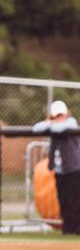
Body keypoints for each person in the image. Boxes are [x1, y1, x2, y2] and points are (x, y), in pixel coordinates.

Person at [33, 100, 80, 234]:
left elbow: (59, 128)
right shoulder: (53, 124)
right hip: (60, 170)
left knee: (75, 200)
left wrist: (52, 123)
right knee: (63, 199)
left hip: (74, 169)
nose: (59, 117)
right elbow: (37, 128)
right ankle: (68, 228)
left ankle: (76, 228)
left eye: (60, 115)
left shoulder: (71, 122)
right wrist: (51, 122)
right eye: (56, 115)